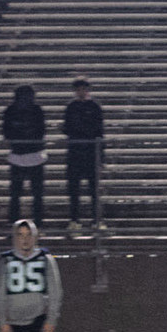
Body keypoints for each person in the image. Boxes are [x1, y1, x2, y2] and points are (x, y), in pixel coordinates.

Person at [59, 78, 104, 236]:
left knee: (94, 191)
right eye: (78, 89)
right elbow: (67, 128)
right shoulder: (71, 107)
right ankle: (74, 221)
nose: (81, 92)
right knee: (74, 190)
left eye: (83, 89)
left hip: (91, 153)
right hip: (75, 153)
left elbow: (100, 132)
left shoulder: (94, 107)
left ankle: (96, 221)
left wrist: (101, 157)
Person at [2, 85, 47, 227]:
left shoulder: (36, 111)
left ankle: (37, 224)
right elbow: (7, 132)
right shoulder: (11, 111)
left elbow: (41, 131)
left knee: (36, 194)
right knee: (16, 194)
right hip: (18, 156)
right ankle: (15, 224)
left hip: (34, 155)